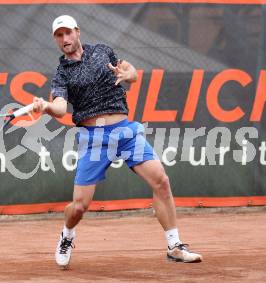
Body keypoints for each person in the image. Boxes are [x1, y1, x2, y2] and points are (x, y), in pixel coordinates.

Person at [32, 15, 202, 267]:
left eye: (68, 33)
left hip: (125, 131)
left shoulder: (102, 51)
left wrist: (130, 74)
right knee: (79, 207)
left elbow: (129, 73)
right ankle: (67, 234)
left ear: (77, 32)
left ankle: (174, 246)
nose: (65, 39)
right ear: (56, 39)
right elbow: (59, 107)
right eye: (59, 35)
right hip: (94, 138)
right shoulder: (61, 74)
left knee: (161, 181)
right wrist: (46, 106)